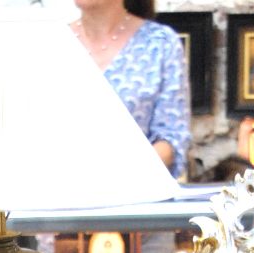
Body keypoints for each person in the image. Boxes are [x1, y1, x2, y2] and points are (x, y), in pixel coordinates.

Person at [70, 0, 190, 179]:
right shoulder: (50, 45)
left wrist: (119, 176)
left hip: (135, 195)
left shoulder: (161, 43)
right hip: (60, 195)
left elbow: (171, 139)